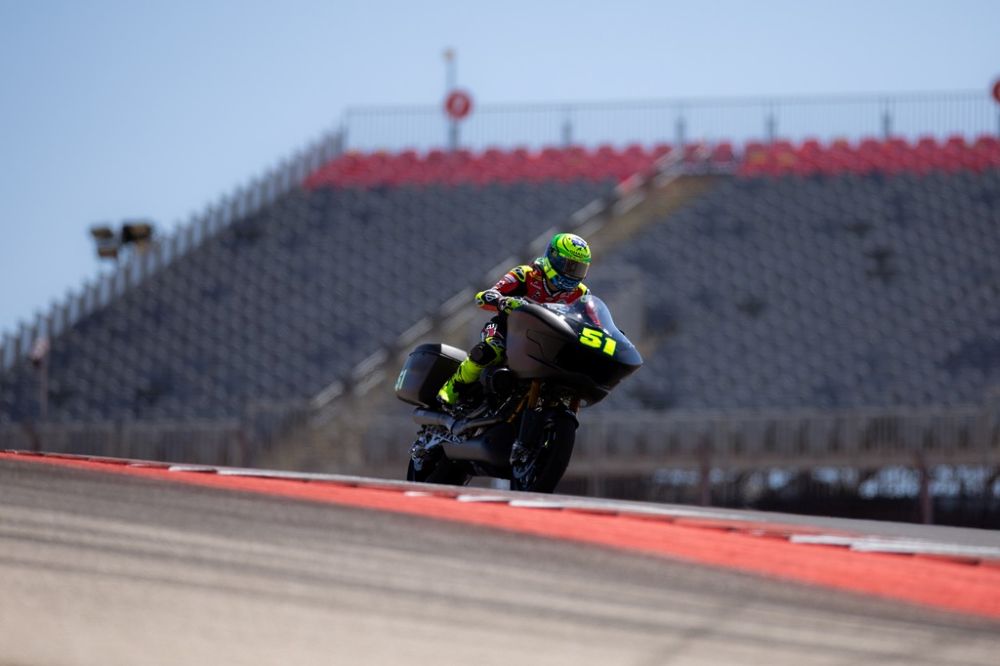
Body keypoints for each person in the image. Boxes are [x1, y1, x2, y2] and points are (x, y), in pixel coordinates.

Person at [437, 232, 592, 450]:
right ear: (553, 258)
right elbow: (488, 295)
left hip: (548, 342)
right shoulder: (526, 274)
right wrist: (499, 299)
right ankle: (450, 391)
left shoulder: (581, 293)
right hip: (509, 330)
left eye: (578, 269)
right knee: (491, 350)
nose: (572, 273)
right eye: (568, 265)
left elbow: (591, 319)